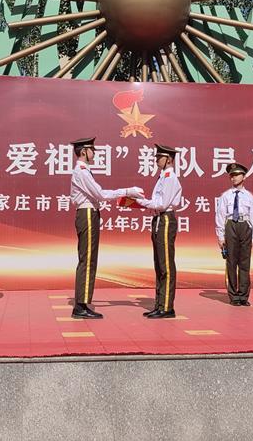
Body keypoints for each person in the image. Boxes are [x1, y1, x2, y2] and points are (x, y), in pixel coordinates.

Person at [70, 137, 143, 319]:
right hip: (87, 214)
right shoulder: (81, 171)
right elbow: (100, 194)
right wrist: (127, 191)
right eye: (92, 150)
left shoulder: (84, 170)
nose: (94, 154)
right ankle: (80, 306)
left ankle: (83, 303)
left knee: (89, 258)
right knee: (88, 259)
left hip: (90, 213)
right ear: (84, 151)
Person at [139, 144, 183, 319]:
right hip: (158, 219)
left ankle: (167, 307)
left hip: (165, 219)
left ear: (169, 159)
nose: (157, 159)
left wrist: (140, 202)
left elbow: (162, 203)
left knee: (166, 265)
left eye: (160, 157)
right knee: (159, 264)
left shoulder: (170, 177)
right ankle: (159, 304)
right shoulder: (162, 177)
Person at [214, 163, 253, 306]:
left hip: (245, 225)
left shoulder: (249, 196)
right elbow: (220, 216)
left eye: (237, 175)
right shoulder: (225, 196)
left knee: (245, 263)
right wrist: (221, 236)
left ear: (244, 177)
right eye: (231, 175)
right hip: (231, 226)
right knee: (231, 262)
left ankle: (244, 296)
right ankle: (233, 296)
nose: (233, 178)